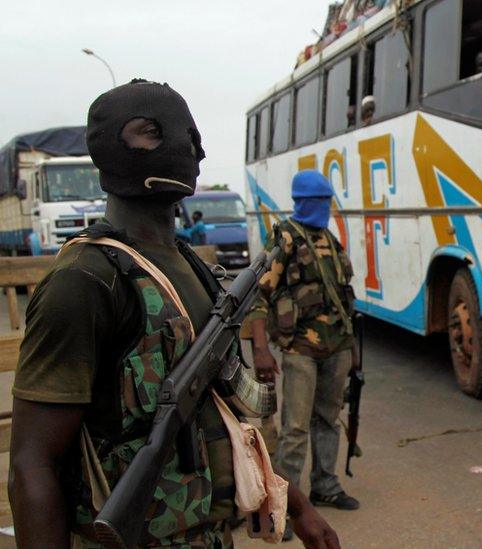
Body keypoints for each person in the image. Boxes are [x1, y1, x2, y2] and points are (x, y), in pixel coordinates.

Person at [8, 79, 340, 549]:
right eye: (146, 133)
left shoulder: (192, 267)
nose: (181, 148)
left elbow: (229, 414)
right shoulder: (85, 280)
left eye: (187, 135)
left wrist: (299, 506)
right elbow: (31, 463)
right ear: (108, 149)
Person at [248, 170, 360, 523]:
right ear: (305, 202)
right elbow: (259, 293)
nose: (325, 207)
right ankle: (288, 504)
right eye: (320, 201)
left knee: (328, 417)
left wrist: (353, 349)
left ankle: (325, 485)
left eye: (327, 201)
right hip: (300, 348)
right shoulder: (285, 238)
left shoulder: (328, 238)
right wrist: (261, 349)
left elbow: (343, 296)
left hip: (337, 345)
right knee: (295, 428)